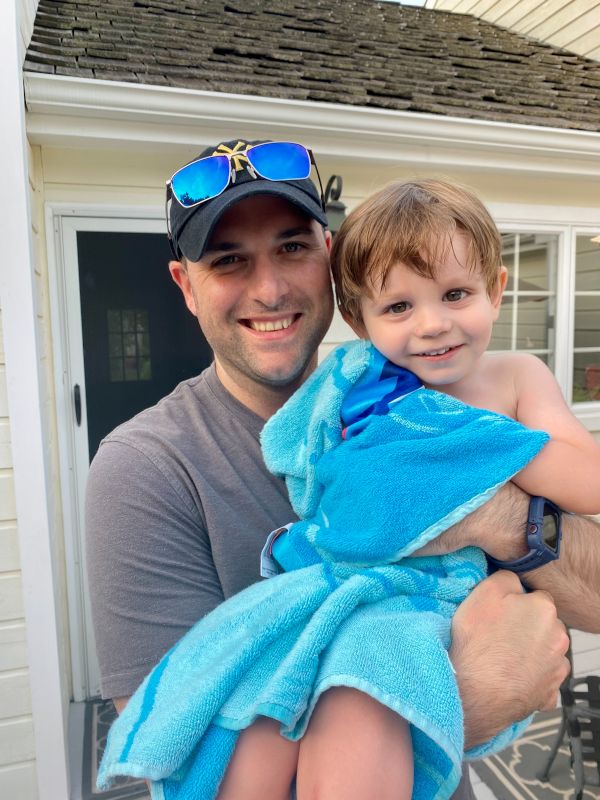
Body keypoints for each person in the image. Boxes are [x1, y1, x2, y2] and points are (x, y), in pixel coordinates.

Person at [86, 139, 598, 800]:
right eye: (229, 260)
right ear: (186, 286)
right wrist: (459, 700)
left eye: (292, 247)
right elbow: (192, 747)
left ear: (328, 258)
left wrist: (497, 513)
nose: (269, 288)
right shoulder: (147, 469)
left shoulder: (433, 387)